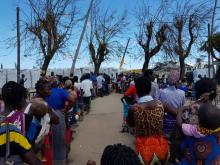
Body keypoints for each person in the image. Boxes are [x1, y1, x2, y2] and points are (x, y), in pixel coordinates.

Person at [127, 76, 169, 165]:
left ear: (136, 90)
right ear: (150, 89)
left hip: (143, 151)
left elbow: (130, 124)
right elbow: (177, 112)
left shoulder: (133, 109)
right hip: (161, 148)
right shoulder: (162, 105)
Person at [44, 79, 76, 165]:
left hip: (45, 118)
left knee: (48, 141)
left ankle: (50, 160)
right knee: (60, 139)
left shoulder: (43, 92)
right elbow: (72, 99)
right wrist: (66, 109)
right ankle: (61, 161)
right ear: (58, 84)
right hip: (58, 116)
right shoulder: (60, 91)